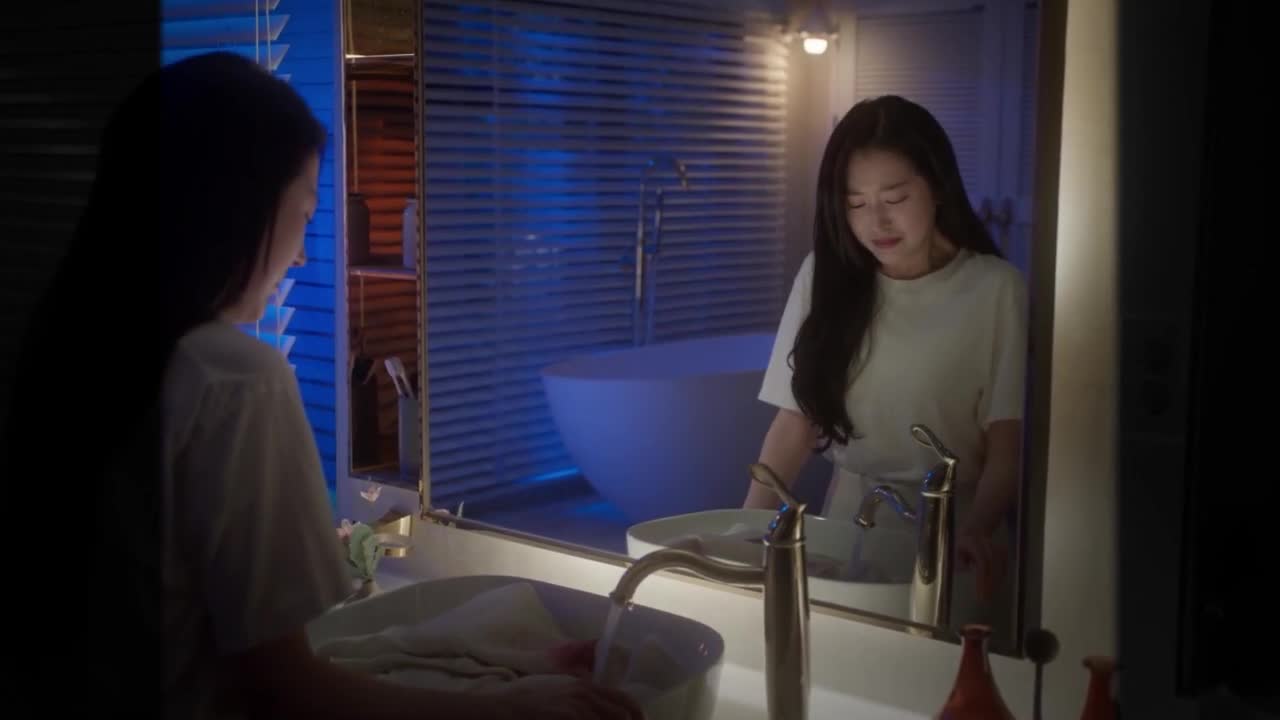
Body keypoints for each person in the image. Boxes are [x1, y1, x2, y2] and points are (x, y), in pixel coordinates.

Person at [1, 52, 641, 720]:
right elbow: (283, 695)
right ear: (239, 207)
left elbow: (227, 660)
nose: (303, 254)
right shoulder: (233, 380)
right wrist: (509, 711)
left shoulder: (67, 354)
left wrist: (482, 663)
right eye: (305, 214)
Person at [743, 95, 1028, 630]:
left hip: (957, 537)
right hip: (849, 525)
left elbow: (1006, 449)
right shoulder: (824, 276)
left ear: (937, 186)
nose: (877, 221)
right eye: (855, 203)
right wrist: (742, 532)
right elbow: (793, 422)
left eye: (895, 197)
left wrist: (978, 530)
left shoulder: (996, 290)